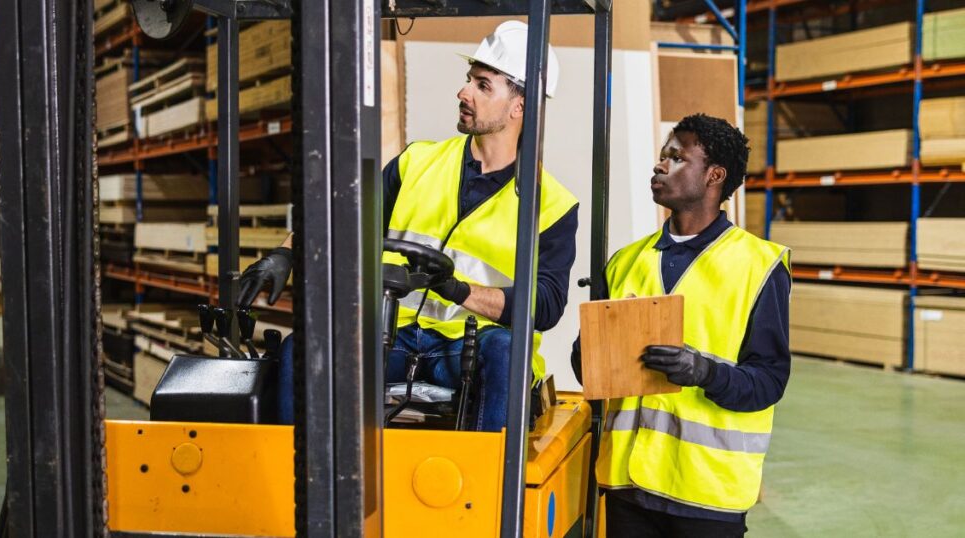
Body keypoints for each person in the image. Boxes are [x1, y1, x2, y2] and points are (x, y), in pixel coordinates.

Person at [238, 21, 579, 432]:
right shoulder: (416, 162)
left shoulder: (552, 204)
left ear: (518, 107)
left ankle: (484, 473)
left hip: (470, 346)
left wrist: (460, 291)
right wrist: (285, 253)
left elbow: (546, 305)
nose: (464, 92)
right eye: (469, 79)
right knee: (305, 347)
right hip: (395, 332)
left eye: (482, 85)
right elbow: (344, 216)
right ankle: (300, 470)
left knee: (507, 353)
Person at [572, 114, 791, 536]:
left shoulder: (760, 266)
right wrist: (595, 348)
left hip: (707, 495)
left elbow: (769, 382)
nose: (660, 165)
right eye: (662, 156)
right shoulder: (624, 262)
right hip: (627, 487)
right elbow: (588, 372)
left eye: (676, 157)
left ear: (714, 176)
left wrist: (704, 372)